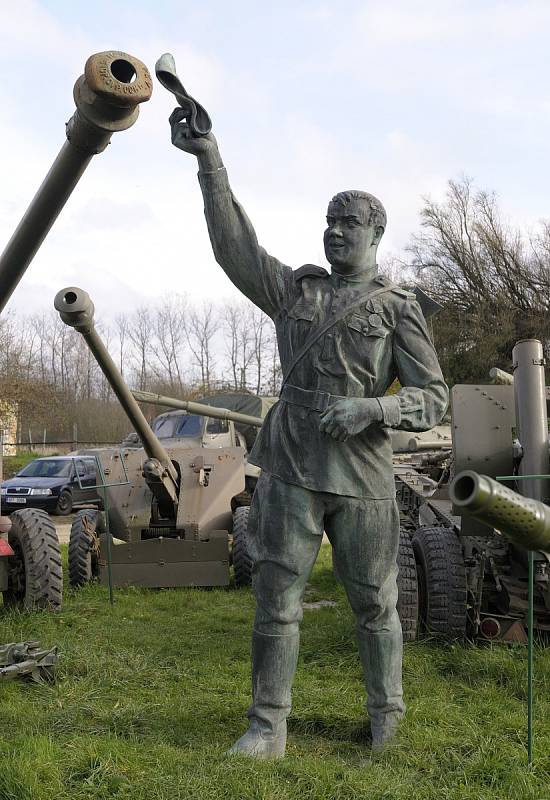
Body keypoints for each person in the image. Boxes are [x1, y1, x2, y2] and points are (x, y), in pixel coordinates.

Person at [169, 109, 449, 759]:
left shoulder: (398, 308)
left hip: (363, 473)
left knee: (376, 605)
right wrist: (210, 162)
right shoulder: (296, 292)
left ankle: (387, 717)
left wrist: (371, 412)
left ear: (376, 232)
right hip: (293, 465)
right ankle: (268, 724)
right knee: (276, 600)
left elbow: (432, 397)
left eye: (348, 222)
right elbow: (234, 248)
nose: (334, 232)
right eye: (329, 221)